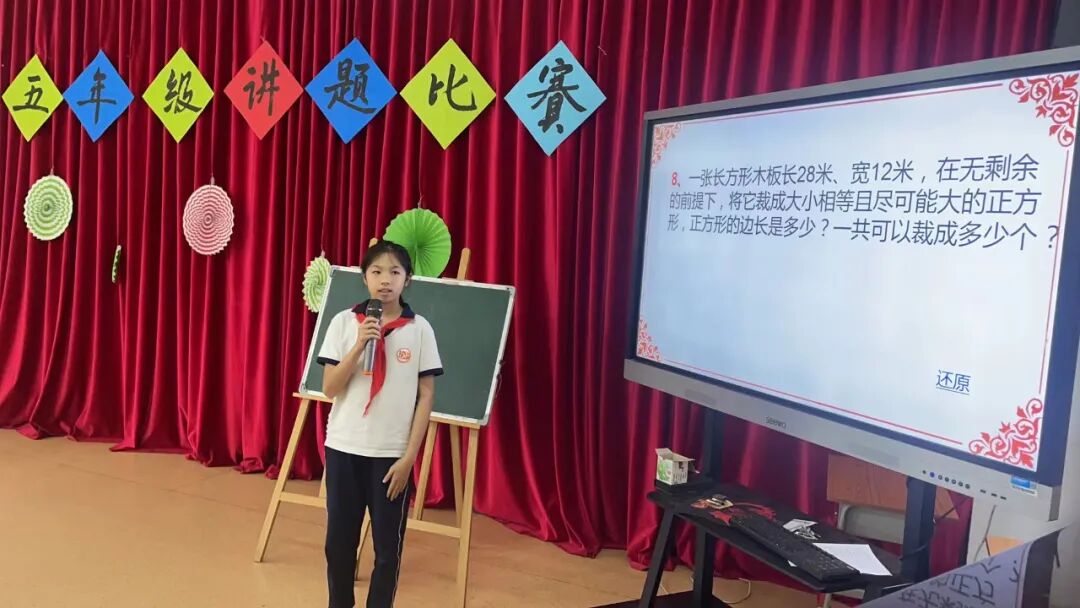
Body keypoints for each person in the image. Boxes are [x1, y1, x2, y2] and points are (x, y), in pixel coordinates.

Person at [317, 240, 443, 608]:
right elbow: (330, 388)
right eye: (376, 271)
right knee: (339, 543)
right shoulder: (344, 323)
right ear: (364, 278)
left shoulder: (419, 329)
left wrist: (409, 458)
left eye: (394, 272)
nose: (385, 280)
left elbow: (426, 397)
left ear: (408, 280)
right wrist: (359, 346)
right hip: (344, 449)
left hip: (391, 458)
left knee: (388, 549)